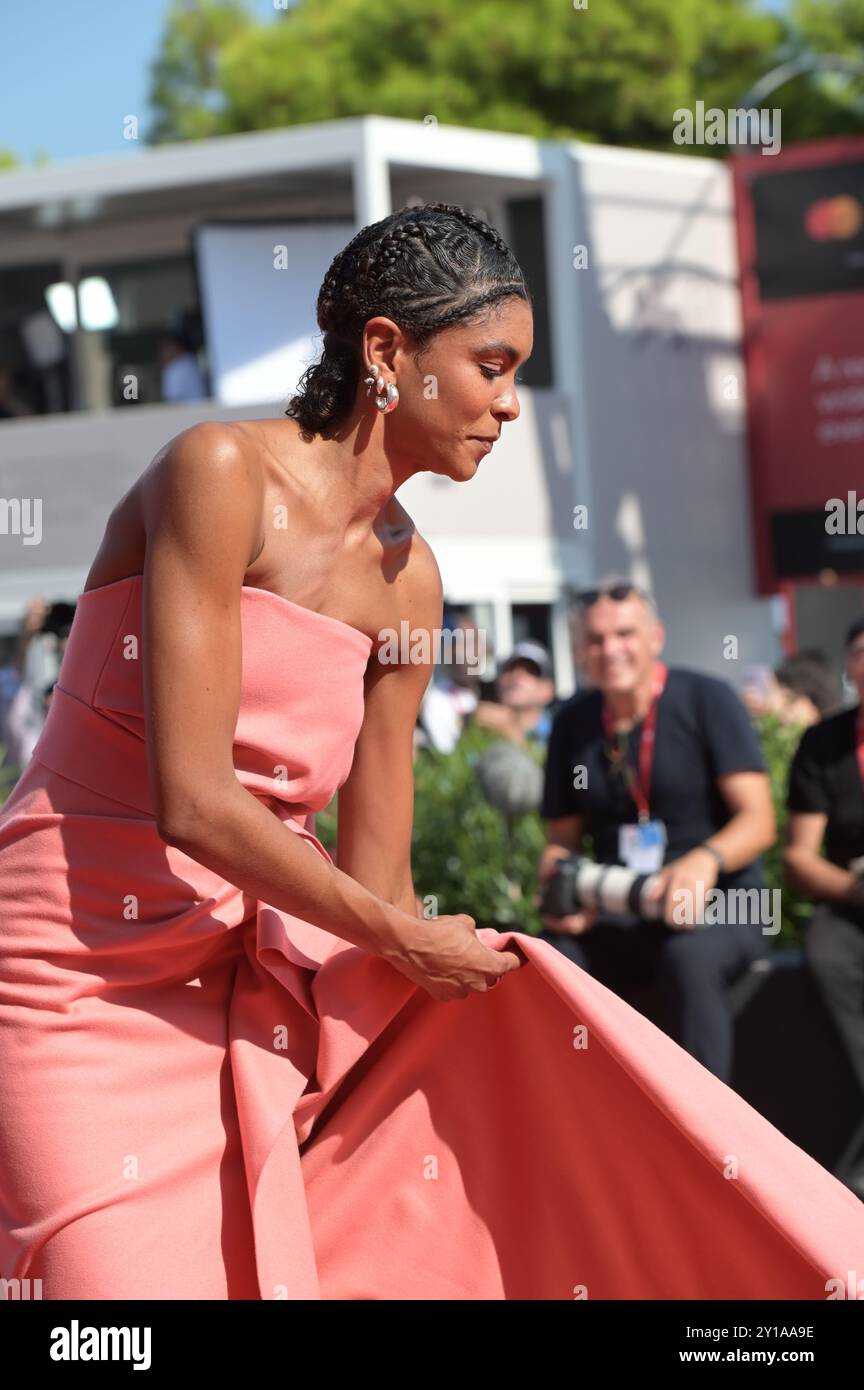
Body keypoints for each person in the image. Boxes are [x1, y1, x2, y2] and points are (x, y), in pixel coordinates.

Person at [0, 206, 861, 1302]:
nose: (509, 404)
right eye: (491, 367)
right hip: (71, 966)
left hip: (237, 980)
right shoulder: (217, 473)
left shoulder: (414, 582)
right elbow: (196, 803)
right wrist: (404, 937)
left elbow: (377, 870)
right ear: (386, 353)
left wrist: (450, 973)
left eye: (519, 374)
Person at [537, 578, 777, 1084]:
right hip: (622, 907)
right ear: (580, 650)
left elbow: (759, 821)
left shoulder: (708, 699)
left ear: (656, 637)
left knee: (688, 959)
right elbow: (563, 839)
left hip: (722, 903)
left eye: (625, 634)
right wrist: (559, 889)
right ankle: (581, 1132)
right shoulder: (572, 721)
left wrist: (705, 859)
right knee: (550, 960)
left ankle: (707, 1143)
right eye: (597, 640)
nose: (611, 650)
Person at [784, 617, 864, 1127]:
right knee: (826, 952)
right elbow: (799, 857)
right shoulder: (823, 744)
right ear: (849, 666)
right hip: (851, 900)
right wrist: (856, 890)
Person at [474, 640, 557, 746]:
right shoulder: (477, 725)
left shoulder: (561, 733)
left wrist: (511, 730)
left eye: (530, 671)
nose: (516, 676)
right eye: (510, 669)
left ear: (548, 690)